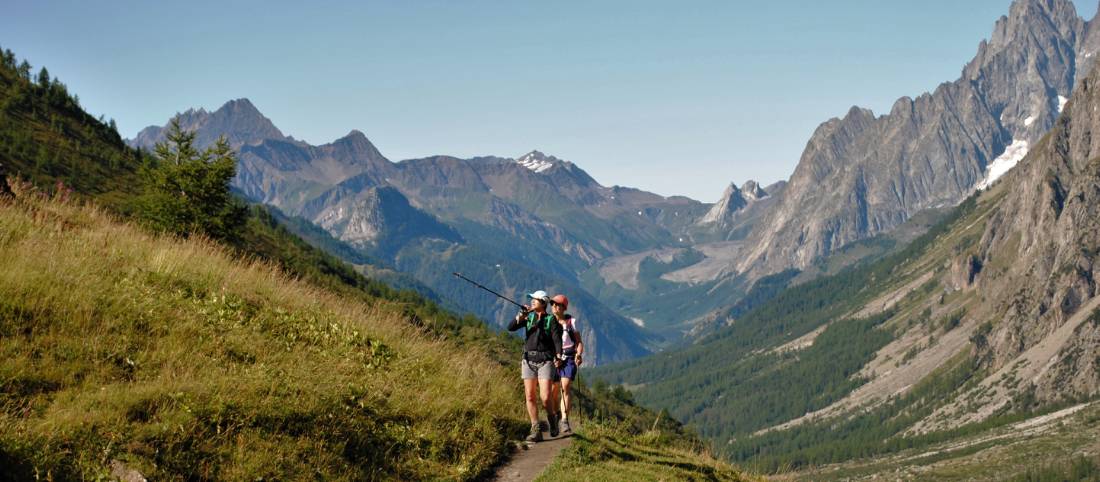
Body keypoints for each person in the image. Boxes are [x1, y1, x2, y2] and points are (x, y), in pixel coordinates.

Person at [507, 290, 564, 442]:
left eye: (535, 299)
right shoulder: (528, 317)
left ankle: (552, 419)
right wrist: (521, 315)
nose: (532, 301)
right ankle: (535, 429)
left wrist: (558, 356)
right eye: (531, 299)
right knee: (530, 396)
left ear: (543, 302)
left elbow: (557, 340)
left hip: (545, 361)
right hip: (528, 360)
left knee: (545, 397)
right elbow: (510, 327)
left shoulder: (551, 320)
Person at [548, 294, 582, 434]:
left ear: (564, 307)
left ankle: (564, 420)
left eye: (558, 304)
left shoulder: (571, 322)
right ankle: (556, 416)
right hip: (553, 358)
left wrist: (578, 354)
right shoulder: (548, 321)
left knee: (565, 387)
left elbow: (578, 342)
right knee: (553, 391)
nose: (554, 306)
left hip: (568, 357)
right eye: (553, 304)